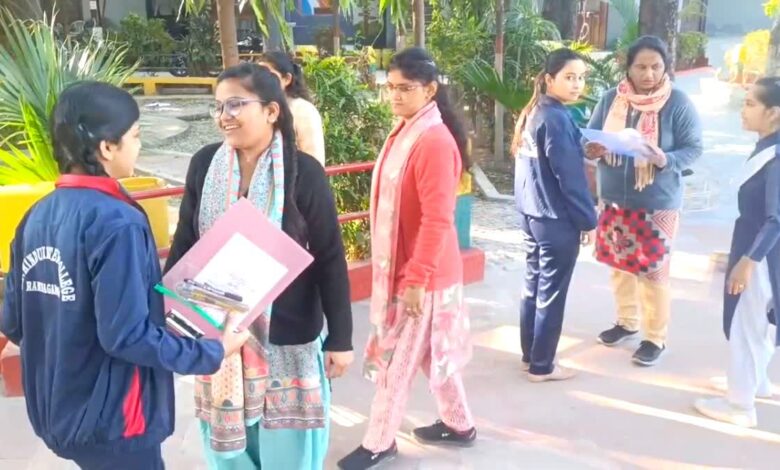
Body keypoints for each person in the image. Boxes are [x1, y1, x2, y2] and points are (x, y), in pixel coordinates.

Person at [0, 81, 249, 470]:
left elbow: (15, 322)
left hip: (57, 409)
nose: (138, 145)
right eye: (134, 135)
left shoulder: (37, 215)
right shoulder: (117, 222)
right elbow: (127, 336)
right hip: (115, 421)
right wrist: (213, 351)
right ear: (106, 148)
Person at [165, 63, 354, 470]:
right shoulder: (204, 165)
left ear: (271, 111)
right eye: (218, 106)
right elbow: (186, 242)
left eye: (236, 104)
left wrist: (341, 339)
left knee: (288, 451)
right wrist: (172, 317)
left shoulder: (304, 173)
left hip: (288, 335)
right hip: (222, 336)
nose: (224, 116)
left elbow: (330, 257)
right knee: (232, 452)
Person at [337, 47, 475, 470]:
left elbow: (438, 219)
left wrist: (415, 280)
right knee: (430, 354)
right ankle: (460, 424)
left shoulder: (432, 141)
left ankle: (379, 442)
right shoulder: (407, 130)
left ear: (430, 90)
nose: (394, 96)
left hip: (423, 277)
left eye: (405, 88)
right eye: (391, 87)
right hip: (414, 271)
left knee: (396, 362)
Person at [585, 36, 703, 366]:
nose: (649, 74)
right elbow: (590, 137)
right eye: (641, 67)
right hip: (614, 199)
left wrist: (665, 159)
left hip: (658, 201)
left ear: (666, 68)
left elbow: (694, 148)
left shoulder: (677, 103)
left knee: (653, 272)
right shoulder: (611, 99)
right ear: (628, 68)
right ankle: (626, 322)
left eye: (656, 67)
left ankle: (655, 338)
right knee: (620, 266)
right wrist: (593, 148)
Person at [694, 78, 780, 428]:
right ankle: (755, 382)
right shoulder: (767, 147)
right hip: (760, 250)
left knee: (747, 323)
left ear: (773, 113)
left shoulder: (775, 157)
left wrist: (748, 261)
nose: (742, 111)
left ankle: (740, 405)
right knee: (759, 322)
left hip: (761, 255)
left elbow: (775, 219)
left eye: (750, 104)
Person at [511, 48, 598, 382]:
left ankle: (530, 355)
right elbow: (570, 178)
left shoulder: (536, 111)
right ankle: (542, 365)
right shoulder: (556, 118)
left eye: (581, 78)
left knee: (533, 285)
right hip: (554, 218)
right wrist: (588, 221)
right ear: (549, 79)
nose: (577, 84)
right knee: (551, 293)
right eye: (569, 77)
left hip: (531, 213)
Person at [258, 51, 326, 165]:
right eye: (259, 75)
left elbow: (314, 161)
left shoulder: (303, 109)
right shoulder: (258, 108)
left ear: (287, 79)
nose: (262, 81)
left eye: (270, 75)